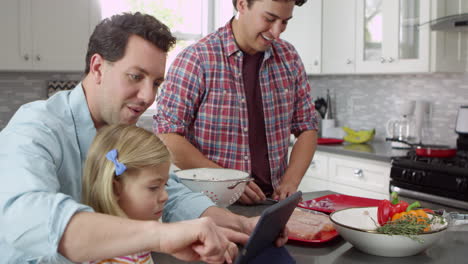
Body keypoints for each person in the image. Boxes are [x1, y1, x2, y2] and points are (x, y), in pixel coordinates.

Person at [0, 12, 282, 263]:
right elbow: (24, 216)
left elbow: (168, 192)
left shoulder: (121, 130)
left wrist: (239, 225)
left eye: (156, 82)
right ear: (98, 67)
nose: (149, 97)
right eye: (136, 76)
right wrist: (159, 236)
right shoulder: (37, 128)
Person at [154, 0, 318, 205]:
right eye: (269, 19)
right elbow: (167, 136)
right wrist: (228, 182)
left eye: (284, 22)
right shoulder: (197, 58)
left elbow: (307, 127)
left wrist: (290, 181)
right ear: (241, 4)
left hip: (270, 203)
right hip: (210, 204)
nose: (276, 32)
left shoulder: (288, 57)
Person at [81, 124, 236, 264]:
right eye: (154, 187)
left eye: (166, 185)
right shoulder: (109, 257)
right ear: (115, 189)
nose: (165, 197)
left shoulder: (134, 244)